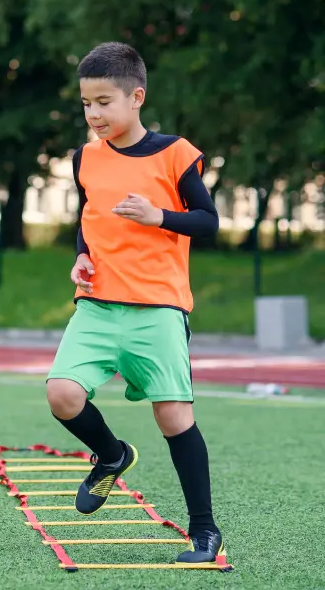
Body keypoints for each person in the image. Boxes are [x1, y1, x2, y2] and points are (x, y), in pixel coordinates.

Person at [46, 42, 224, 563]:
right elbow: (90, 217)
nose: (94, 114)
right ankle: (111, 455)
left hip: (159, 308)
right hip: (97, 305)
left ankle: (205, 530)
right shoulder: (85, 157)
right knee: (62, 395)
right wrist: (81, 256)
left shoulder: (175, 153)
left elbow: (209, 221)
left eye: (104, 102)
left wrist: (159, 216)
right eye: (86, 103)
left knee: (172, 417)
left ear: (136, 97)